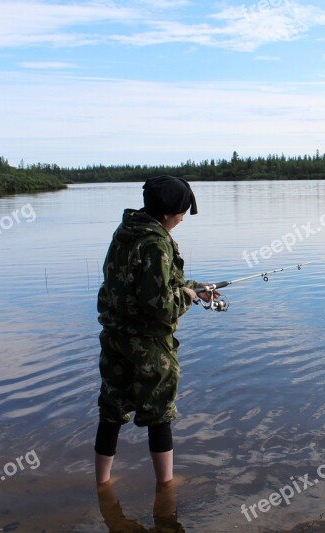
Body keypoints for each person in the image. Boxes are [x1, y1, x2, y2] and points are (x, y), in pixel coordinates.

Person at [94, 175, 218, 486]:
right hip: (148, 344)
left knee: (111, 409)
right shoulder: (157, 243)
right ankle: (166, 485)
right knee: (160, 413)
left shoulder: (126, 233)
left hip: (114, 338)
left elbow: (139, 285)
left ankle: (103, 481)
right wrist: (187, 296)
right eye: (182, 213)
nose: (183, 218)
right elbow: (162, 306)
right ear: (167, 214)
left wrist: (193, 287)